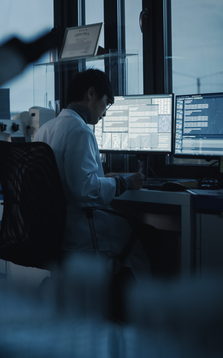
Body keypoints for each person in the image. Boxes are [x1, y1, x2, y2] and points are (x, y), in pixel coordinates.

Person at [34, 69, 149, 274]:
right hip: (82, 231)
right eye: (107, 102)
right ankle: (137, 304)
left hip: (52, 231)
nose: (105, 112)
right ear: (91, 94)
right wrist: (126, 183)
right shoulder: (80, 130)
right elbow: (84, 191)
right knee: (143, 247)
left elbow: (65, 180)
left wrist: (101, 180)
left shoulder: (46, 129)